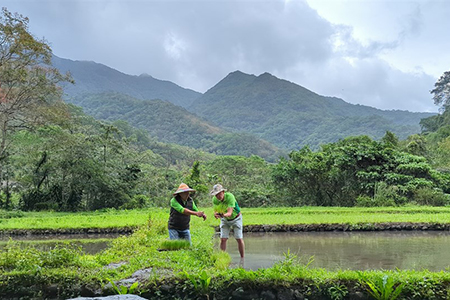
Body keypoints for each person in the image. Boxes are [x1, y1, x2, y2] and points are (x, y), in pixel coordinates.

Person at [210, 184, 245, 264]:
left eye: (219, 194)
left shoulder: (230, 197)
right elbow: (215, 210)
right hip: (224, 219)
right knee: (223, 239)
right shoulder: (215, 200)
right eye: (216, 195)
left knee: (239, 238)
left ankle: (242, 259)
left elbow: (229, 213)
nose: (218, 196)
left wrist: (222, 215)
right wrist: (216, 214)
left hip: (236, 218)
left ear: (223, 192)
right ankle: (222, 257)